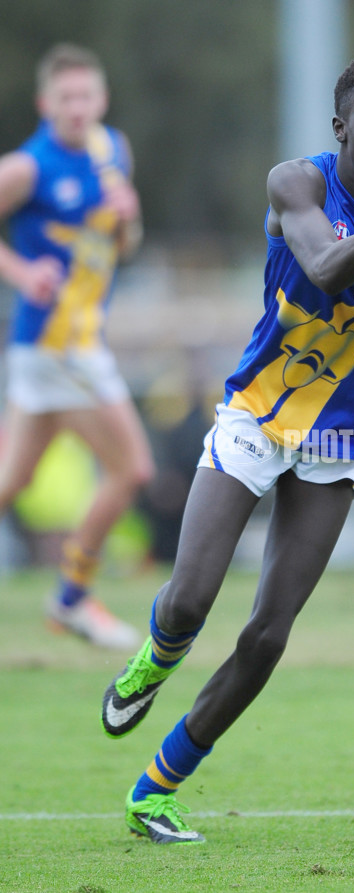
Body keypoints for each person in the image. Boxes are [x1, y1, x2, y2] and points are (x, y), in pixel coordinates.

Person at [101, 56, 354, 843]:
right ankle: (153, 662)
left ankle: (157, 787)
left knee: (268, 633)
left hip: (347, 428)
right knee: (191, 597)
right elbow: (329, 270)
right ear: (340, 129)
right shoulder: (296, 182)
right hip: (260, 408)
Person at [0, 44, 155, 649]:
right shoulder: (28, 167)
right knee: (134, 468)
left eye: (85, 96)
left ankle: (70, 599)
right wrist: (22, 275)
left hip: (70, 342)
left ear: (102, 99)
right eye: (65, 97)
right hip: (57, 344)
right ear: (45, 104)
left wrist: (129, 218)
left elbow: (127, 246)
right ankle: (70, 597)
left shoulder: (112, 151)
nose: (76, 107)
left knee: (13, 481)